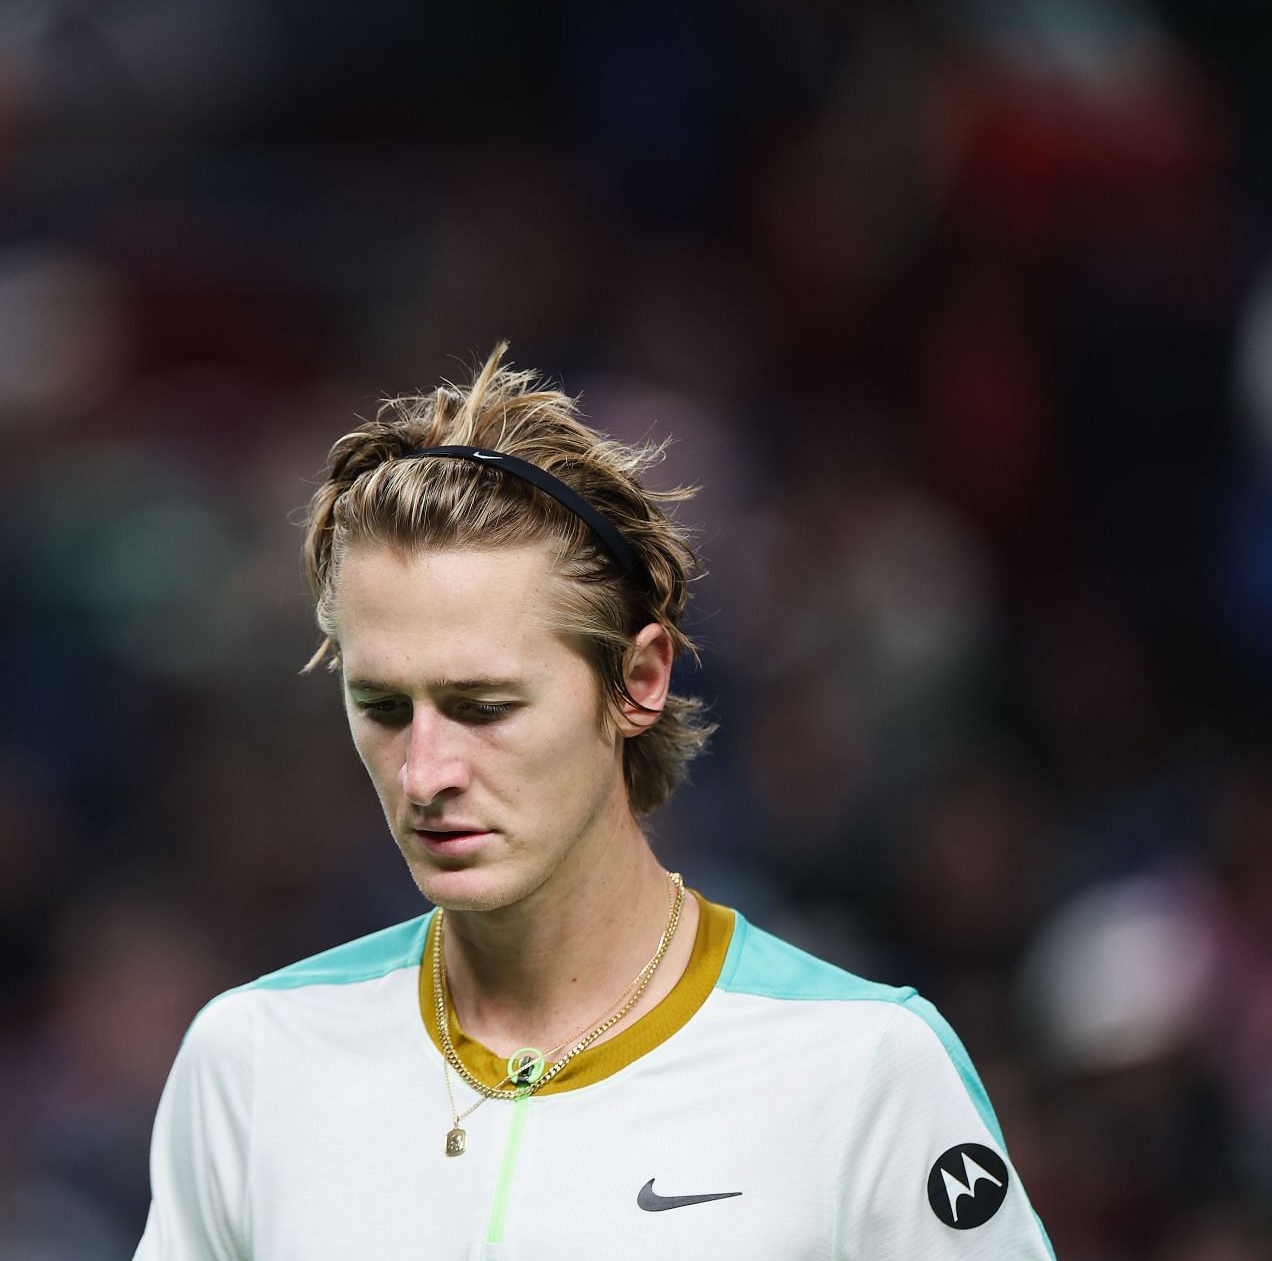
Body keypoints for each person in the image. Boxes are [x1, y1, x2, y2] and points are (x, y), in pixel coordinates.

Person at [133, 347, 1053, 1259]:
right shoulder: (249, 1059)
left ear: (639, 679)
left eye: (483, 706)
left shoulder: (863, 1065)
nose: (423, 772)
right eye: (380, 708)